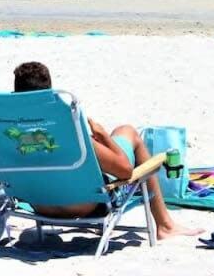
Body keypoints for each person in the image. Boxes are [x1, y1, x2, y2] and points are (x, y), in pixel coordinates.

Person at [12, 62, 202, 240]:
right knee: (127, 131)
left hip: (40, 204)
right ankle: (165, 225)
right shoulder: (66, 132)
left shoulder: (5, 135)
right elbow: (125, 171)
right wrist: (104, 137)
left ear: (15, 95)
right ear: (49, 95)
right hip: (85, 204)